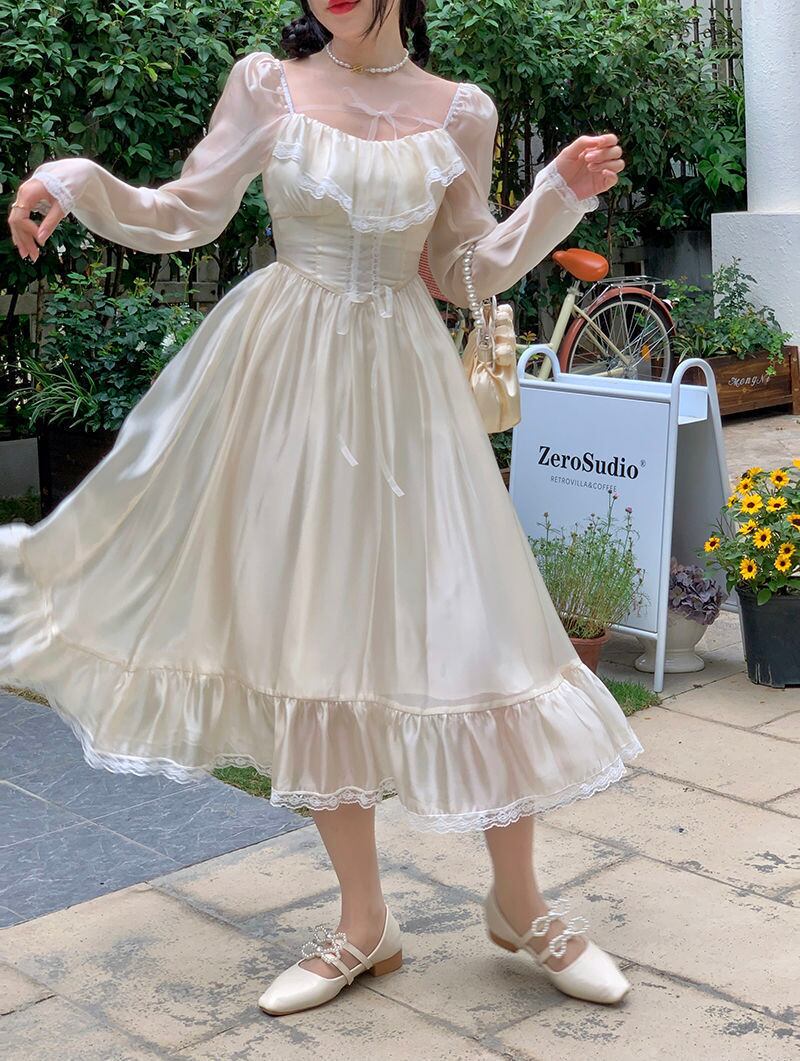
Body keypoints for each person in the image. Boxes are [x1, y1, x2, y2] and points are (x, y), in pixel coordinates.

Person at [4, 0, 641, 1017]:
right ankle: (363, 922)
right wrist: (76, 179)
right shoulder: (267, 84)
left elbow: (459, 270)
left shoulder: (460, 110)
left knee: (477, 631)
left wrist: (555, 196)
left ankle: (519, 904)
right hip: (286, 390)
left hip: (405, 391)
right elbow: (187, 213)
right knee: (319, 639)